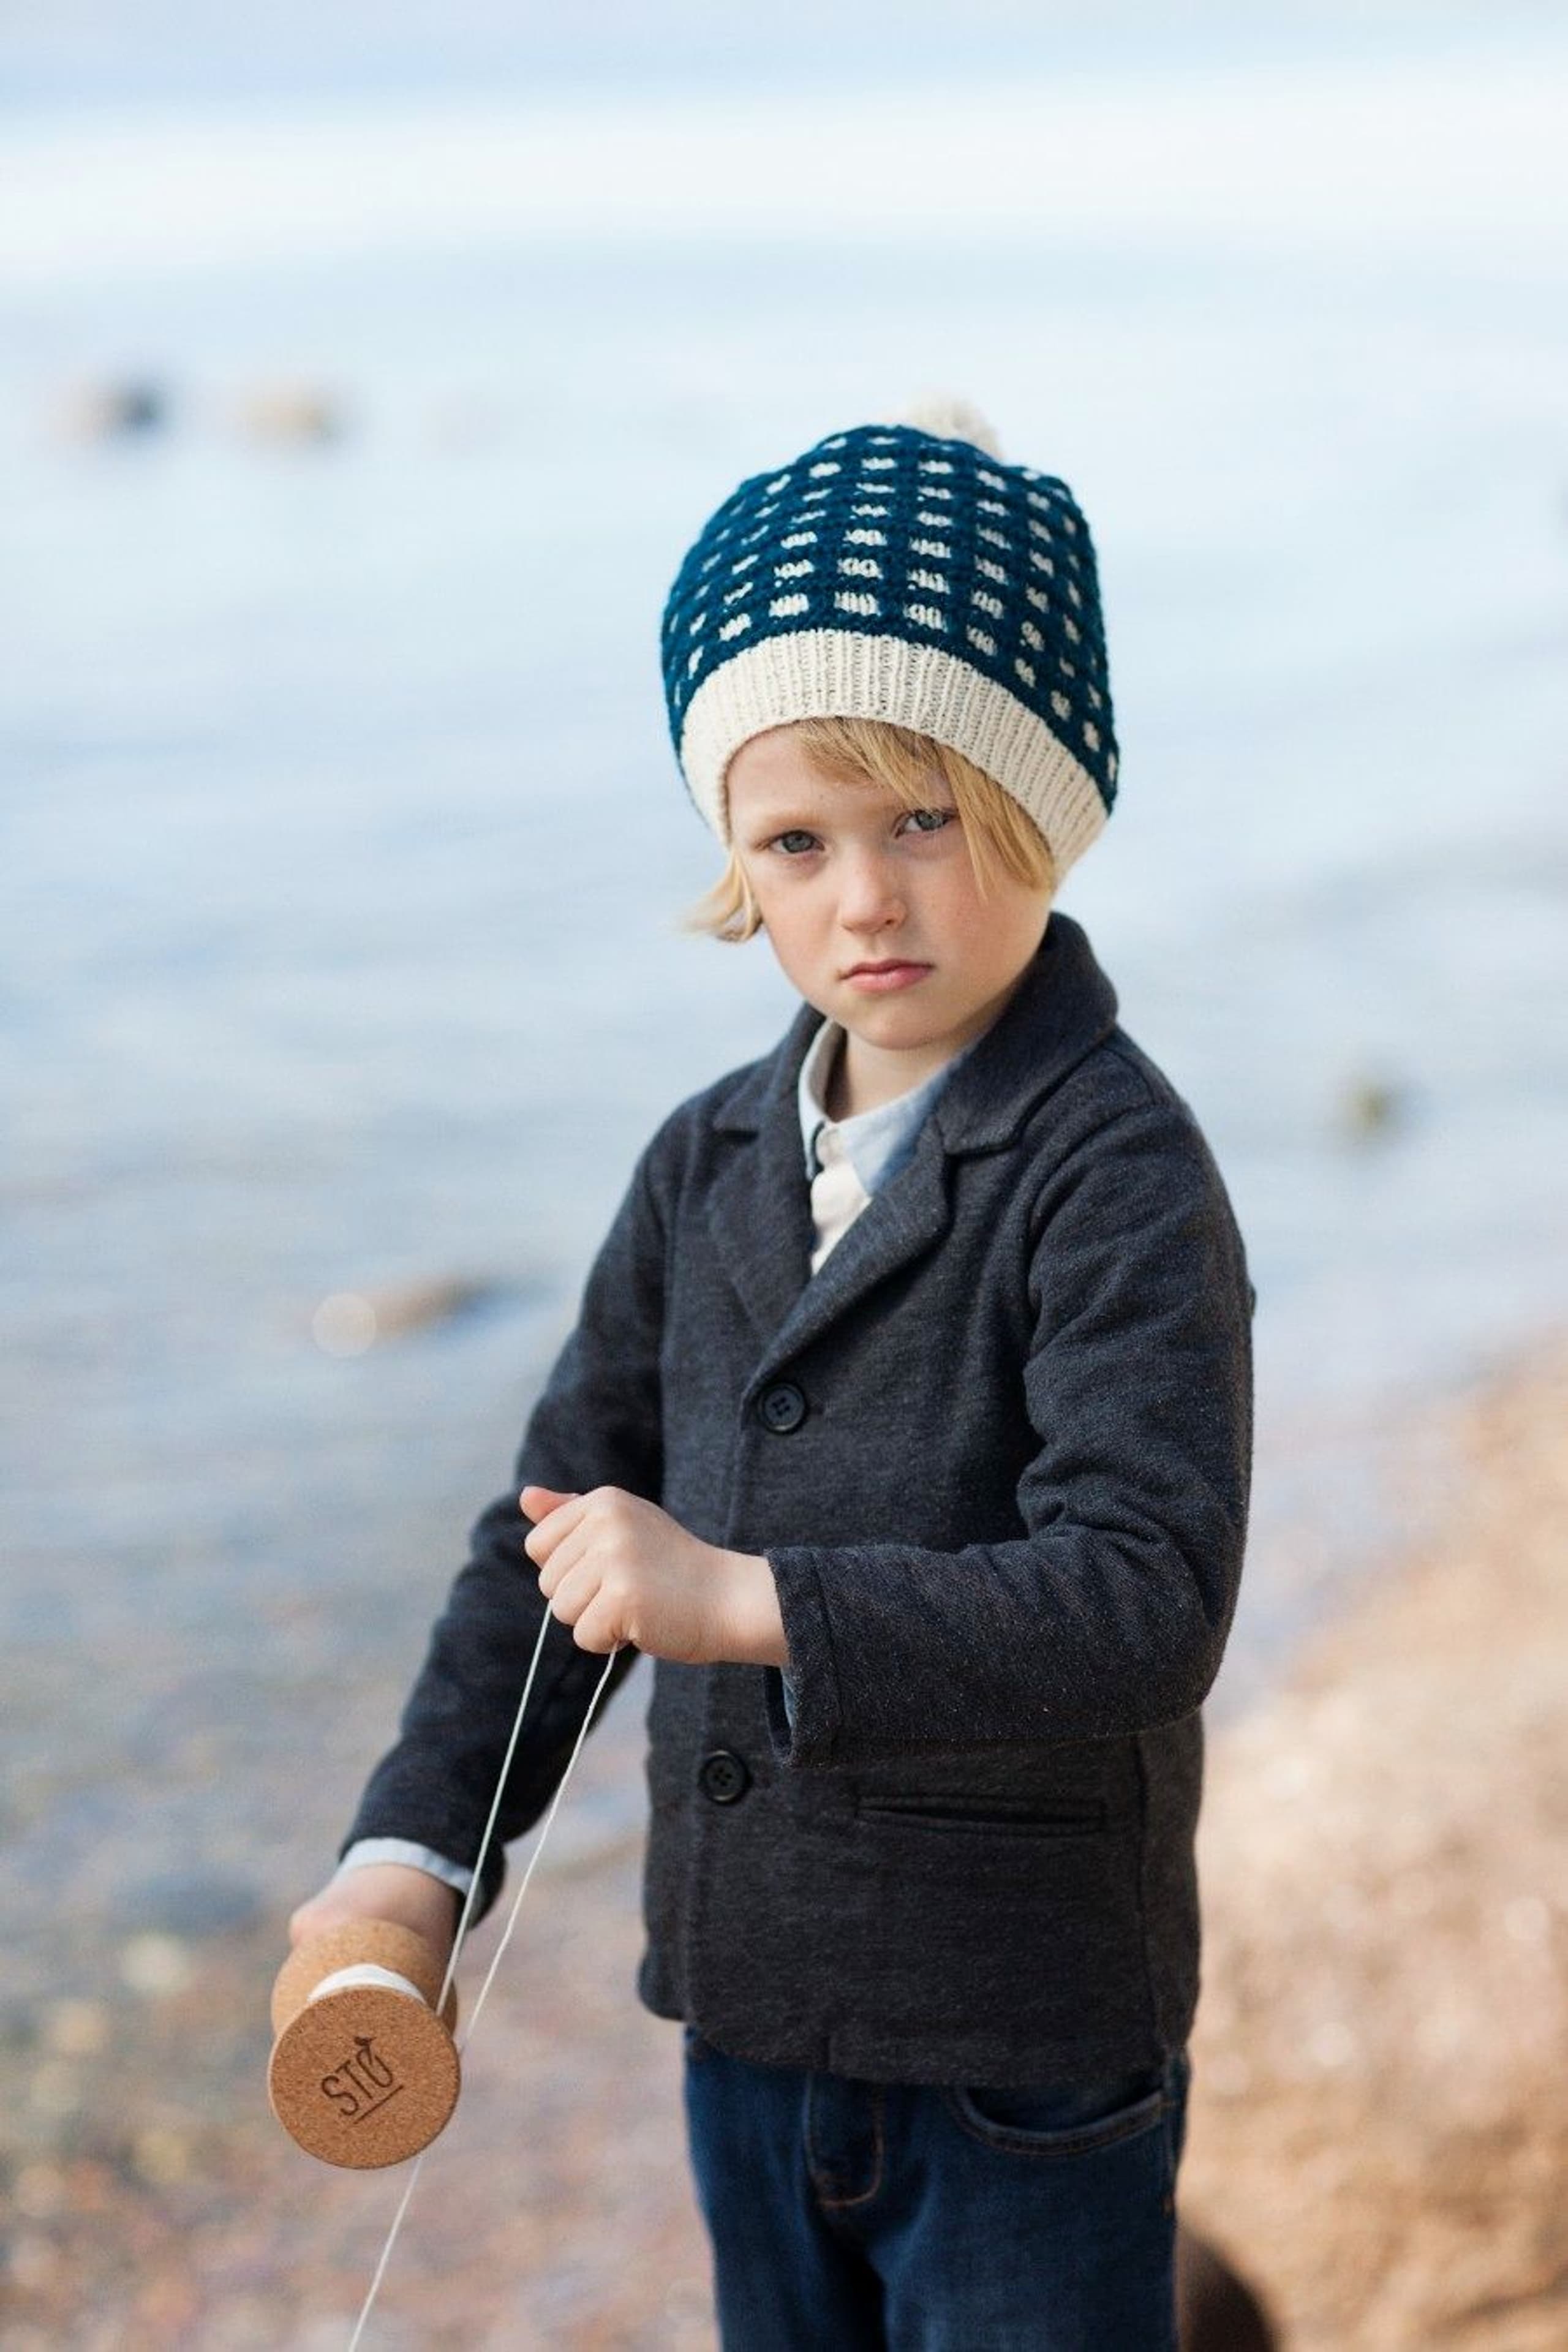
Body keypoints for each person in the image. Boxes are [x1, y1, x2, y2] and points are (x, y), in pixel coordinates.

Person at [289, 399, 1256, 2350]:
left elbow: (1146, 1592)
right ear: (736, 856)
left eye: (924, 821)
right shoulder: (705, 1164)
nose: (864, 900)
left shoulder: (1118, 1173)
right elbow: (548, 1547)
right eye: (797, 841)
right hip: (746, 2022)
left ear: (1043, 807)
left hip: (1020, 2049)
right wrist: (415, 1854)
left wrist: (748, 1602)